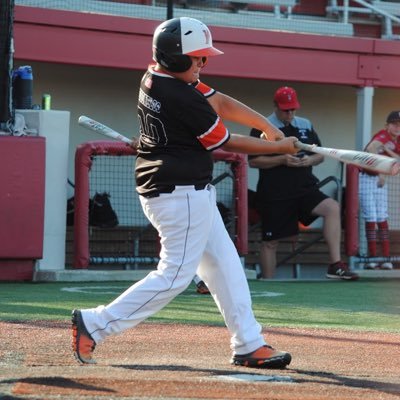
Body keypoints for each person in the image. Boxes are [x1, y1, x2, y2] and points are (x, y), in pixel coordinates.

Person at [72, 17, 299, 369]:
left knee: (226, 267)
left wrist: (268, 127)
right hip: (178, 194)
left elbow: (220, 101)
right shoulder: (179, 94)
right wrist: (279, 147)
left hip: (182, 190)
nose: (202, 64)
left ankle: (249, 343)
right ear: (176, 58)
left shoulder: (155, 76)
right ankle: (95, 323)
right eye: (197, 58)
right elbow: (225, 141)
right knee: (175, 276)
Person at [248, 86, 359, 281]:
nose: (290, 113)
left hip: (305, 187)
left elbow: (320, 155)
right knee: (270, 241)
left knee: (332, 207)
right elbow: (253, 161)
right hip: (275, 193)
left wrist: (309, 160)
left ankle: (335, 265)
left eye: (293, 109)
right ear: (275, 106)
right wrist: (282, 160)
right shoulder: (261, 126)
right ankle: (269, 283)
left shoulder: (305, 124)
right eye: (285, 109)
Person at [358, 110, 400, 270]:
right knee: (371, 216)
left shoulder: (398, 140)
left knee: (382, 216)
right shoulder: (383, 135)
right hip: (366, 177)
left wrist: (388, 153)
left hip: (381, 179)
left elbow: (398, 160)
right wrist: (382, 170)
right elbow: (370, 149)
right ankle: (373, 258)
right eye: (394, 124)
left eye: (399, 125)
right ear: (387, 125)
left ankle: (386, 258)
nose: (397, 127)